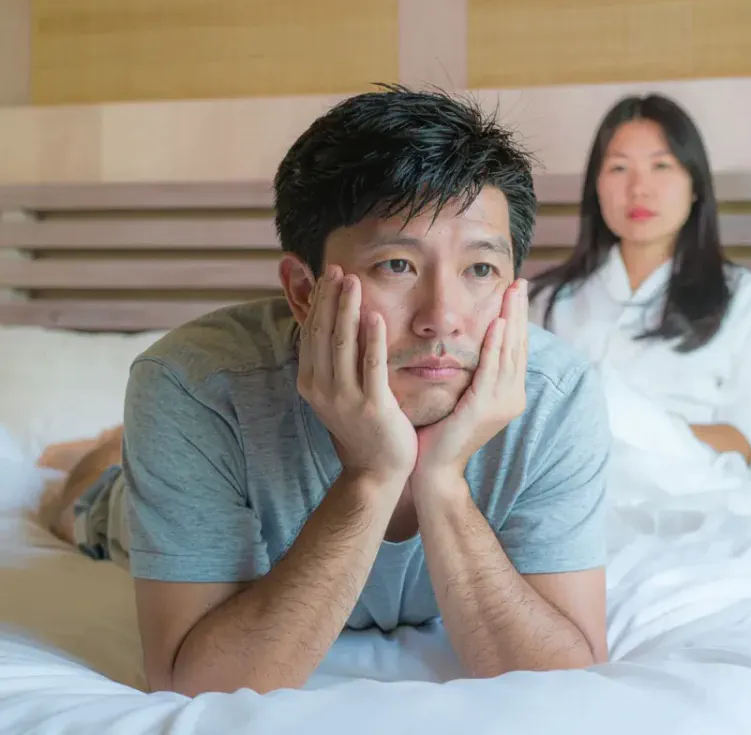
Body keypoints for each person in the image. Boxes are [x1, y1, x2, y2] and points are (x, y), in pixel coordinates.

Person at [42, 85, 611, 696]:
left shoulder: (557, 394)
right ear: (304, 291)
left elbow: (569, 680)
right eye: (397, 265)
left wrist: (442, 481)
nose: (443, 319)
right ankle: (104, 455)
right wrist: (371, 475)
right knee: (78, 505)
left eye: (480, 269)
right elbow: (196, 686)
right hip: (143, 490)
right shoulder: (194, 389)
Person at [529, 94, 751, 469]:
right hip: (572, 486)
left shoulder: (746, 299)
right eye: (619, 168)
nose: (639, 188)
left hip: (693, 485)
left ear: (695, 185)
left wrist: (630, 430)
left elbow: (747, 440)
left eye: (661, 166)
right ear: (596, 186)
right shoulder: (545, 301)